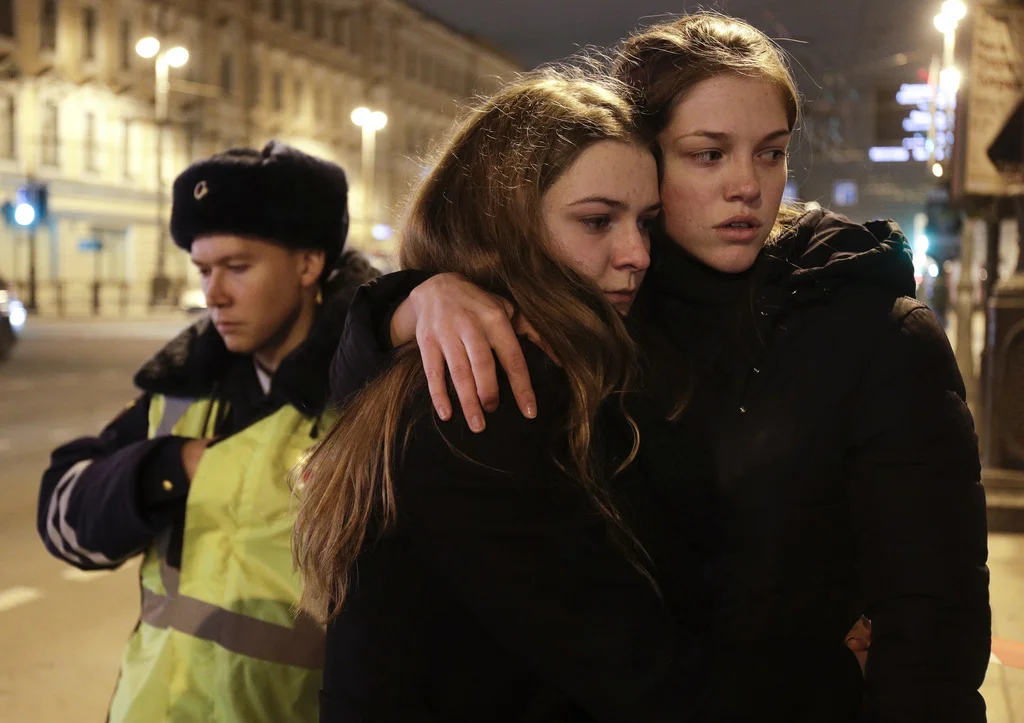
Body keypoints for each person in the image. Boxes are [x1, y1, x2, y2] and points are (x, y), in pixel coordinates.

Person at [330, 13, 991, 723]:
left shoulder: (868, 328)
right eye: (708, 154)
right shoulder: (577, 333)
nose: (747, 184)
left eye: (771, 152)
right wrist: (406, 305)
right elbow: (624, 655)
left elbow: (934, 613)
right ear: (646, 155)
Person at [293, 70, 707, 722]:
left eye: (646, 223)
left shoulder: (562, 361)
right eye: (596, 221)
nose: (636, 253)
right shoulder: (486, 393)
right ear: (505, 223)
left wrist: (397, 305)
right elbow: (633, 667)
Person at [36, 141, 378, 722]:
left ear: (307, 264)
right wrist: (170, 468)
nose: (212, 294)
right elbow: (65, 527)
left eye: (237, 268)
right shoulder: (181, 390)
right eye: (203, 270)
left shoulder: (372, 403)